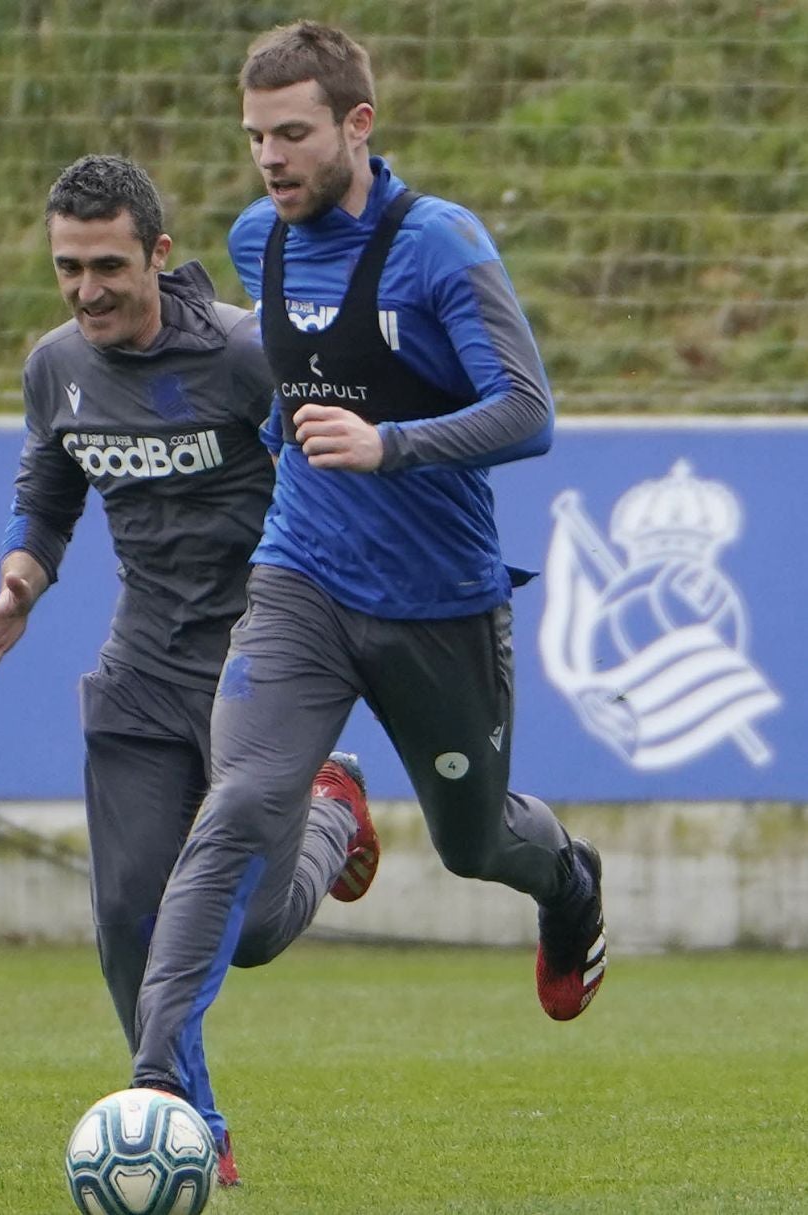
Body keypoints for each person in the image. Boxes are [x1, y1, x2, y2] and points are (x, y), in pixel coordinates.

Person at [129, 18, 607, 1150]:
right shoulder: (261, 239)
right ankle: (161, 1089)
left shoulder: (440, 244)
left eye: (292, 134)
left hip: (439, 603)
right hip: (300, 580)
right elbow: (285, 372)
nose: (271, 160)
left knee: (477, 843)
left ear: (357, 124)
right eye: (255, 138)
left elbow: (528, 412)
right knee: (241, 813)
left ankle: (569, 883)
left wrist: (390, 444)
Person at [0, 153, 379, 1187]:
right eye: (68, 266)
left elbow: (335, 483)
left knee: (250, 931)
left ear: (158, 253)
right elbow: (49, 483)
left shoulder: (249, 353)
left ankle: (334, 813)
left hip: (263, 667)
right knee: (126, 918)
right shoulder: (56, 364)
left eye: (107, 263)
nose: (86, 288)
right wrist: (22, 581)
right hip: (142, 665)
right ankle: (187, 1117)